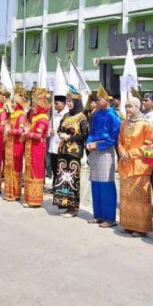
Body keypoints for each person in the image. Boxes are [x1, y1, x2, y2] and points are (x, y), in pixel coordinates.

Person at [117, 91, 153, 237]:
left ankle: (140, 228)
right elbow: (119, 140)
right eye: (126, 107)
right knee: (126, 196)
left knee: (139, 197)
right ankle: (127, 224)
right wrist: (122, 152)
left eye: (130, 107)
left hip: (139, 165)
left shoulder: (145, 125)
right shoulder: (124, 123)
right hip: (125, 164)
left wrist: (131, 153)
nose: (128, 109)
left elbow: (148, 145)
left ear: (138, 107)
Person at [85, 85, 121, 228]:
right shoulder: (96, 114)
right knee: (95, 184)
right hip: (94, 150)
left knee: (106, 184)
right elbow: (92, 131)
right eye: (96, 99)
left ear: (107, 100)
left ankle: (109, 218)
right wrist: (88, 143)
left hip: (106, 150)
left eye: (99, 99)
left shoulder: (113, 116)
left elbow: (114, 137)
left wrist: (98, 145)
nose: (97, 102)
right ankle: (98, 215)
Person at [53, 86, 89, 217]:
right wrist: (61, 134)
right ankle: (65, 204)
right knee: (64, 179)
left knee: (73, 179)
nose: (68, 103)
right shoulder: (66, 115)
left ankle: (73, 208)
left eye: (70, 101)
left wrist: (70, 137)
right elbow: (58, 129)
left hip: (74, 153)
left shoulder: (82, 117)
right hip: (63, 150)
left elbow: (84, 135)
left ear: (77, 102)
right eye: (67, 101)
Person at [21, 86, 50, 208]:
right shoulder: (35, 118)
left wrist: (27, 134)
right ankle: (29, 197)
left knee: (36, 171)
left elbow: (38, 135)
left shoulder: (43, 119)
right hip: (31, 147)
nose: (33, 108)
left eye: (35, 106)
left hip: (37, 148)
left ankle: (35, 199)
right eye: (32, 106)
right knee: (29, 170)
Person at [3, 84, 28, 202]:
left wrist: (10, 130)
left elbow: (21, 130)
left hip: (17, 145)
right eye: (12, 102)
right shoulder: (12, 115)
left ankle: (16, 193)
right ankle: (9, 191)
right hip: (9, 144)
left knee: (15, 168)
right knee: (9, 168)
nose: (12, 104)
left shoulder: (22, 116)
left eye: (14, 102)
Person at [47, 94, 68, 193]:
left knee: (61, 167)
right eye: (54, 104)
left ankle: (61, 187)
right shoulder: (54, 115)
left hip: (61, 144)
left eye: (57, 104)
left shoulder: (67, 115)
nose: (55, 106)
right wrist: (49, 131)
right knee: (54, 166)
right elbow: (48, 129)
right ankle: (55, 186)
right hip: (53, 145)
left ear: (64, 104)